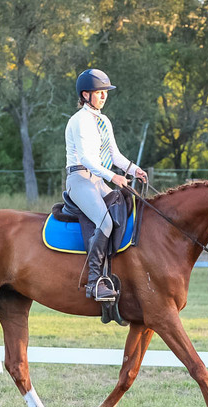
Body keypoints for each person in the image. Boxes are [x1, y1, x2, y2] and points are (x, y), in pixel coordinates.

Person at [64, 68, 148, 301]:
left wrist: (133, 170)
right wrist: (114, 177)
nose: (104, 96)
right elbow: (88, 160)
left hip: (98, 180)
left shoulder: (103, 121)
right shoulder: (79, 121)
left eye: (105, 92)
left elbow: (115, 155)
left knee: (126, 208)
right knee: (105, 222)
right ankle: (94, 283)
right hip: (80, 179)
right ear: (85, 94)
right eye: (99, 92)